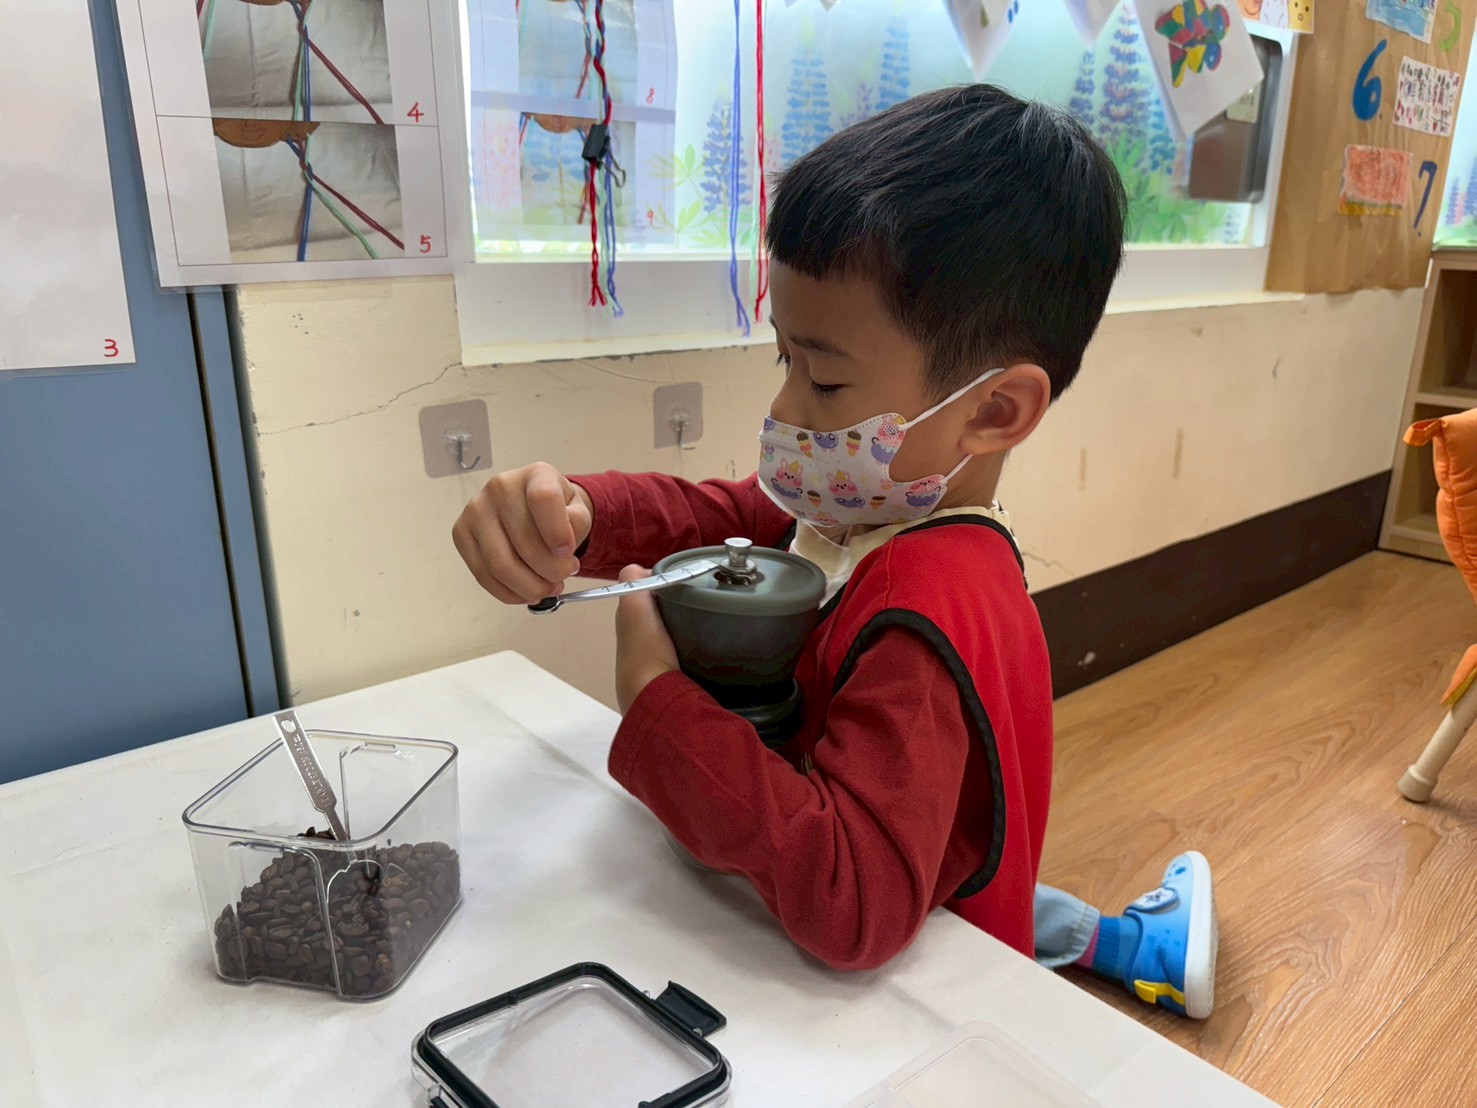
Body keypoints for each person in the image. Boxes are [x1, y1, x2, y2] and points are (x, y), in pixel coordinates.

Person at [453, 85, 1218, 1019]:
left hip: (925, 1007)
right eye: (786, 361)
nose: (783, 409)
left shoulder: (924, 611)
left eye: (822, 378)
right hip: (883, 868)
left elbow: (855, 902)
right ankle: (1111, 936)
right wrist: (578, 515)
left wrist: (655, 701)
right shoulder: (855, 513)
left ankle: (1110, 941)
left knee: (983, 911)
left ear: (992, 411)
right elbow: (724, 517)